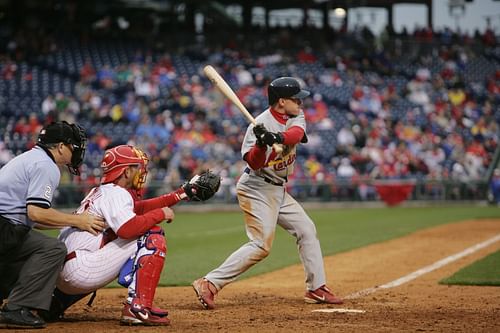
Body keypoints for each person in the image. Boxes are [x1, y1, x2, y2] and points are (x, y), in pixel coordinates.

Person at [192, 77, 343, 310]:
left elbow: (294, 134)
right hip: (256, 188)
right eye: (296, 99)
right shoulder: (258, 126)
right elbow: (254, 163)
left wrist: (277, 137)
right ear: (281, 101)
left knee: (306, 230)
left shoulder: (295, 116)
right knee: (261, 245)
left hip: (278, 189)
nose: (300, 103)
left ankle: (316, 288)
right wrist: (261, 144)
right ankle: (209, 283)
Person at [40, 145, 220, 326]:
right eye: (137, 168)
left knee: (119, 238)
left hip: (63, 274)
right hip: (81, 271)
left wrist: (181, 194)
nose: (141, 172)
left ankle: (55, 304)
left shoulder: (103, 191)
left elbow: (138, 208)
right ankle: (138, 308)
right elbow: (128, 229)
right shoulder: (117, 193)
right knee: (151, 234)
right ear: (126, 172)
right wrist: (160, 214)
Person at [0, 121, 105, 329]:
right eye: (73, 146)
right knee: (53, 249)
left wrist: (66, 224)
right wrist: (78, 220)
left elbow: (31, 219)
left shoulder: (30, 157)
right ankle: (17, 308)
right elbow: (36, 213)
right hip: (4, 229)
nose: (76, 151)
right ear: (60, 146)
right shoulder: (46, 165)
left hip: (6, 227)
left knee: (32, 245)